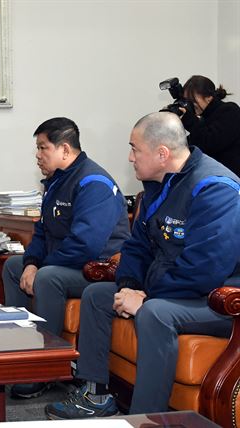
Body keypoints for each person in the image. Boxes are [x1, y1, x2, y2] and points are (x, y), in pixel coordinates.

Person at [45, 112, 240, 419]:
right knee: (97, 295)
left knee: (155, 313)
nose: (130, 157)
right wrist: (129, 286)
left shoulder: (215, 188)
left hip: (219, 300)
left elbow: (204, 269)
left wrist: (147, 296)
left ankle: (146, 418)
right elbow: (136, 248)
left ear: (162, 154)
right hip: (176, 289)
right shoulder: (157, 186)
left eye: (135, 149)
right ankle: (95, 396)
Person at [2, 117, 130, 399]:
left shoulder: (93, 182)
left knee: (48, 277)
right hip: (70, 263)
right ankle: (20, 354)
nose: (37, 156)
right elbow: (41, 231)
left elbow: (85, 245)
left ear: (64, 149)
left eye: (42, 148)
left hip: (100, 268)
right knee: (14, 265)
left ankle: (45, 368)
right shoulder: (56, 182)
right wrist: (32, 262)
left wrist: (42, 268)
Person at [179, 75, 240, 176]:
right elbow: (191, 147)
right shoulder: (203, 118)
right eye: (187, 101)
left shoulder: (230, 111)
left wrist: (190, 121)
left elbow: (209, 143)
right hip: (214, 177)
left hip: (231, 181)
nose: (190, 104)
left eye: (193, 101)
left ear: (209, 97)